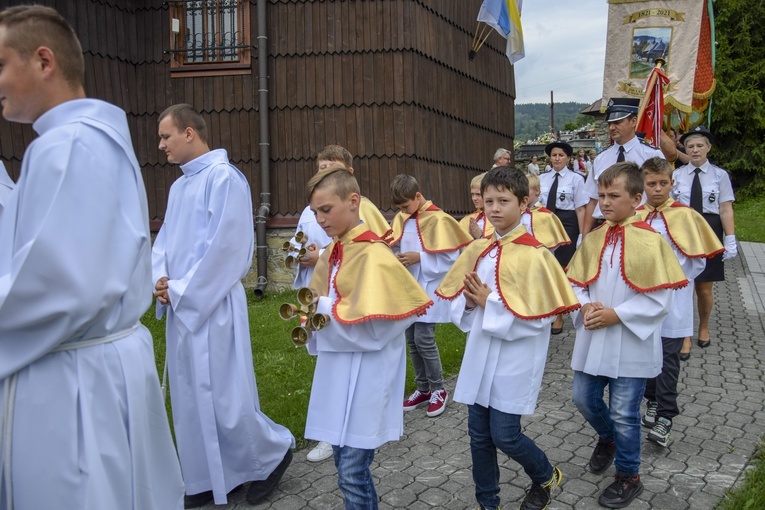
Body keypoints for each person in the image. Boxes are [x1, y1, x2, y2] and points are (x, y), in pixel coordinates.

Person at [0, 5, 184, 510]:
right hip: (91, 362)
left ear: (43, 61)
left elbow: (61, 287)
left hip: (72, 381)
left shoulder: (69, 147)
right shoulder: (77, 141)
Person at [152, 104, 294, 508]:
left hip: (211, 304)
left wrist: (181, 289)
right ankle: (211, 478)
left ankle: (270, 455)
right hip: (184, 304)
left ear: (190, 133)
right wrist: (159, 279)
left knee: (223, 395)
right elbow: (163, 244)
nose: (161, 145)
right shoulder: (180, 187)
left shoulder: (224, 179)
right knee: (190, 396)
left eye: (166, 136)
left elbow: (228, 250)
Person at [436, 166, 579, 510]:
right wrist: (470, 304)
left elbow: (540, 318)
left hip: (516, 357)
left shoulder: (536, 256)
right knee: (478, 437)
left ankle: (545, 474)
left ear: (524, 203)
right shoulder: (479, 249)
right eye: (489, 201)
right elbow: (460, 305)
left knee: (505, 435)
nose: (495, 208)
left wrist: (490, 303)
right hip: (480, 353)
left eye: (504, 200)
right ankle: (489, 502)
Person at [304, 164, 432, 510]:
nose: (320, 219)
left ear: (353, 201)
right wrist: (312, 315)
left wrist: (325, 308)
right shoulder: (333, 251)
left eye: (326, 210)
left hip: (369, 374)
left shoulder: (374, 254)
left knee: (352, 469)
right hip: (338, 370)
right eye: (315, 212)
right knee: (343, 462)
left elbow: (381, 328)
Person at [567, 162, 687, 508]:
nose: (604, 202)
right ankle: (608, 438)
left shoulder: (651, 242)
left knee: (624, 412)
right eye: (601, 195)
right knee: (583, 398)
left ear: (637, 198)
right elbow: (576, 282)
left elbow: (660, 296)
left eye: (613, 195)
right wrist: (585, 305)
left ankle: (629, 476)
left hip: (630, 341)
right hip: (594, 337)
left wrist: (617, 314)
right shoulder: (593, 239)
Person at [289, 144, 391, 462]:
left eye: (330, 168)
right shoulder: (313, 210)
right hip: (327, 298)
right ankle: (330, 433)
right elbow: (296, 244)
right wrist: (300, 256)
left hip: (353, 313)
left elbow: (368, 256)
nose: (319, 219)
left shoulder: (364, 212)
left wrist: (321, 257)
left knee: (353, 459)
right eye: (320, 167)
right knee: (330, 380)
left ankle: (345, 436)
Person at [636, 157, 723, 447]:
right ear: (643, 185)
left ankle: (665, 416)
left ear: (672, 183)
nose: (658, 189)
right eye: (652, 184)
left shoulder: (686, 216)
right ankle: (651, 399)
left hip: (674, 299)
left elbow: (697, 261)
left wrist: (671, 276)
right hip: (642, 299)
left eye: (663, 183)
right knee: (645, 356)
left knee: (668, 359)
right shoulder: (635, 216)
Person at [389, 175, 473, 417]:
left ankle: (438, 389)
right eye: (399, 208)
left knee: (425, 338)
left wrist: (420, 258)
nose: (403, 212)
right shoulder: (403, 218)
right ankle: (422, 388)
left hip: (429, 287)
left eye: (405, 206)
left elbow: (451, 258)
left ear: (417, 196)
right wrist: (396, 255)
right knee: (412, 339)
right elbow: (395, 243)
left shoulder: (439, 219)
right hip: (409, 286)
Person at [671, 126, 737, 358]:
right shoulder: (676, 176)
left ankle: (704, 326)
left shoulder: (720, 175)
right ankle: (685, 335)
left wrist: (730, 238)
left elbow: (725, 209)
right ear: (685, 149)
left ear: (708, 147)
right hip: (683, 232)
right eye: (690, 146)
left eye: (700, 145)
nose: (695, 150)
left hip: (709, 231)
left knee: (704, 287)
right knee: (683, 286)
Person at [582, 98, 664, 236]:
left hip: (640, 225)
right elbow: (592, 200)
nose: (612, 128)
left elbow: (662, 196)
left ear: (633, 121)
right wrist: (584, 236)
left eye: (617, 122)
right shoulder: (601, 159)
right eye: (610, 123)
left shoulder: (651, 155)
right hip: (605, 226)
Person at [539, 141, 588, 334]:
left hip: (567, 223)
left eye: (560, 155)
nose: (557, 158)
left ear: (568, 158)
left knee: (560, 268)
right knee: (546, 267)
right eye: (554, 155)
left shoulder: (576, 179)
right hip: (545, 223)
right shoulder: (542, 178)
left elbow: (581, 208)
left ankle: (559, 314)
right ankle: (547, 309)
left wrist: (582, 235)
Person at [522, 172, 571, 251]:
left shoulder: (546, 215)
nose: (523, 194)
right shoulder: (518, 214)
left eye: (526, 190)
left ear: (537, 191)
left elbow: (552, 244)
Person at [459, 172, 494, 239]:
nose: (474, 198)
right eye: (472, 194)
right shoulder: (466, 220)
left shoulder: (500, 218)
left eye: (478, 194)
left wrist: (480, 237)